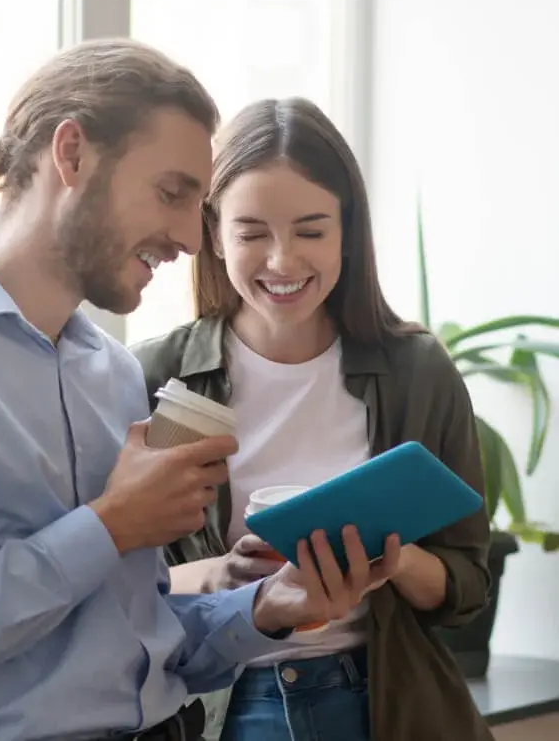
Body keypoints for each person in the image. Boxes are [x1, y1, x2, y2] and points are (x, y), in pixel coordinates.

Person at [0, 42, 363, 741]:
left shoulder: (114, 372)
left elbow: (132, 638)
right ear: (70, 154)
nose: (193, 241)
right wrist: (107, 527)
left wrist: (267, 607)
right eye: (171, 193)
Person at [131, 97, 495, 741]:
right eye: (251, 234)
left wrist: (394, 560)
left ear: (347, 231)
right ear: (213, 233)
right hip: (225, 710)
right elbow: (119, 591)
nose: (282, 262)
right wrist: (231, 577)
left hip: (387, 705)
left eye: (311, 230)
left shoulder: (417, 372)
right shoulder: (155, 376)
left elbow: (467, 585)